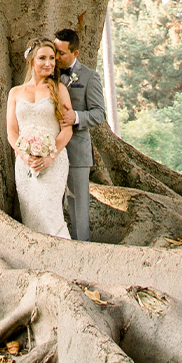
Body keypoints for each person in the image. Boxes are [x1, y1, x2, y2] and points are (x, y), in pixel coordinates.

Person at [6, 37, 74, 238]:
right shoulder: (16, 93)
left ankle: (64, 258)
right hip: (25, 164)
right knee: (32, 214)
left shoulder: (59, 89)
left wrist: (49, 157)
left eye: (52, 58)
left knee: (50, 213)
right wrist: (24, 156)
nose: (49, 63)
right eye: (43, 58)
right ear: (32, 61)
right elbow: (11, 132)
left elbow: (67, 130)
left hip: (53, 161)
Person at [54, 27, 106, 242]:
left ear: (75, 53)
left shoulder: (90, 77)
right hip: (50, 149)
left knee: (78, 205)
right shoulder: (48, 71)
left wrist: (76, 117)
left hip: (77, 150)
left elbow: (99, 114)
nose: (56, 58)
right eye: (55, 51)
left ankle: (82, 247)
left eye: (62, 54)